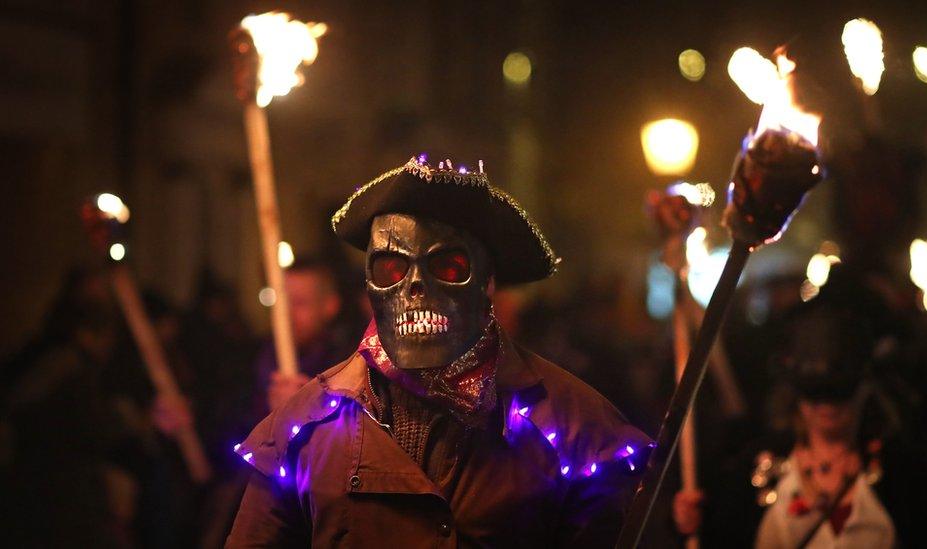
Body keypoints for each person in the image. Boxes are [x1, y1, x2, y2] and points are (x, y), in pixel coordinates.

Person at [226, 155, 650, 546]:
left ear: (487, 284)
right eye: (392, 268)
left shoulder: (577, 430)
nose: (414, 287)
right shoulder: (302, 429)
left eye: (448, 267)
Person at [672, 292, 927, 548]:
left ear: (864, 388)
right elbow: (721, 538)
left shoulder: (904, 472)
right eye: (815, 392)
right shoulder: (755, 468)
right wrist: (692, 520)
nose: (827, 404)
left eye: (840, 391)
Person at [254, 257, 356, 414]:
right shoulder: (259, 359)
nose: (286, 314)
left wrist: (311, 406)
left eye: (300, 303)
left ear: (330, 305)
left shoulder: (349, 365)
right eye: (282, 302)